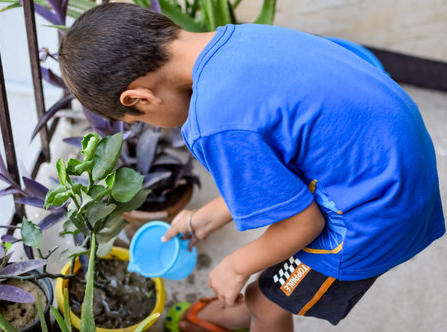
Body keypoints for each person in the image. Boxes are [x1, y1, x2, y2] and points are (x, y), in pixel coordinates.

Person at [58, 3, 445, 331]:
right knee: (273, 260)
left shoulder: (215, 123)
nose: (147, 126)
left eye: (137, 119)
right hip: (398, 165)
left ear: (140, 98)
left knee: (264, 299)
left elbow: (303, 224)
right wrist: (210, 215)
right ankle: (247, 304)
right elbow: (280, 153)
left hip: (377, 215)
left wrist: (235, 265)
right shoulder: (239, 39)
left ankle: (253, 308)